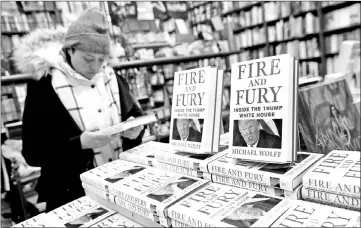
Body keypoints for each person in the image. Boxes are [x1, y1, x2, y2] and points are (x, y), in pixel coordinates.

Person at [13, 7, 145, 212]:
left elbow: (135, 117)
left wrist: (135, 130)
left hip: (121, 183)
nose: (96, 67)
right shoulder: (44, 85)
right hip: (70, 194)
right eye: (88, 58)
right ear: (70, 49)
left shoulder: (111, 77)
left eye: (102, 59)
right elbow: (33, 153)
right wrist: (79, 144)